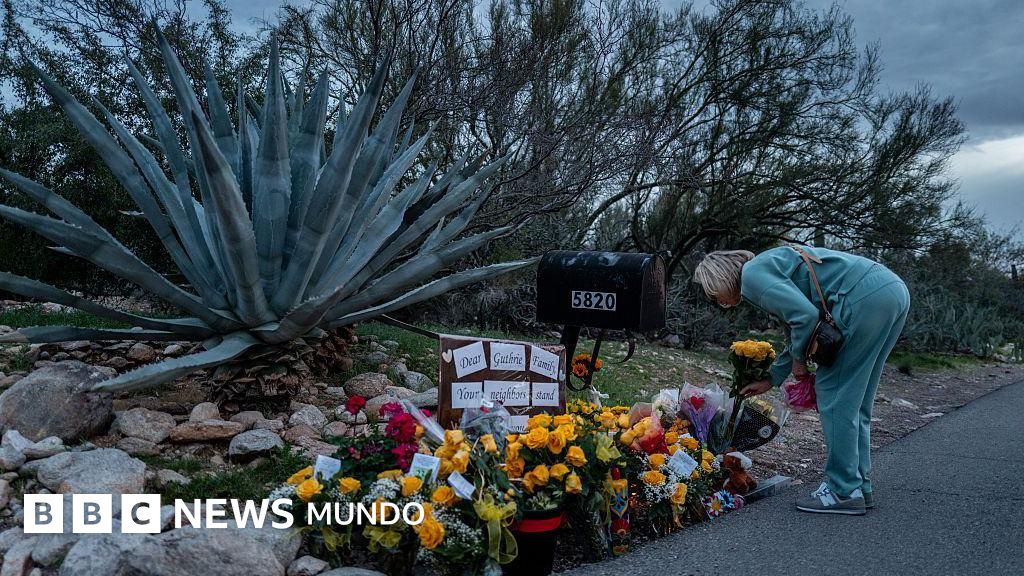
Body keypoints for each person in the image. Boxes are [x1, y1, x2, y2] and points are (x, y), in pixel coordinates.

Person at [693, 245, 910, 515]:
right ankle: (858, 486)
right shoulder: (767, 265)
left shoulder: (752, 276)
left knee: (835, 397)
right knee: (857, 402)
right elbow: (799, 323)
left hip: (863, 298)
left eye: (714, 293)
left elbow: (805, 318)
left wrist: (799, 362)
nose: (718, 301)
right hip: (891, 291)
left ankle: (842, 491)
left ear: (720, 277)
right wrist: (773, 377)